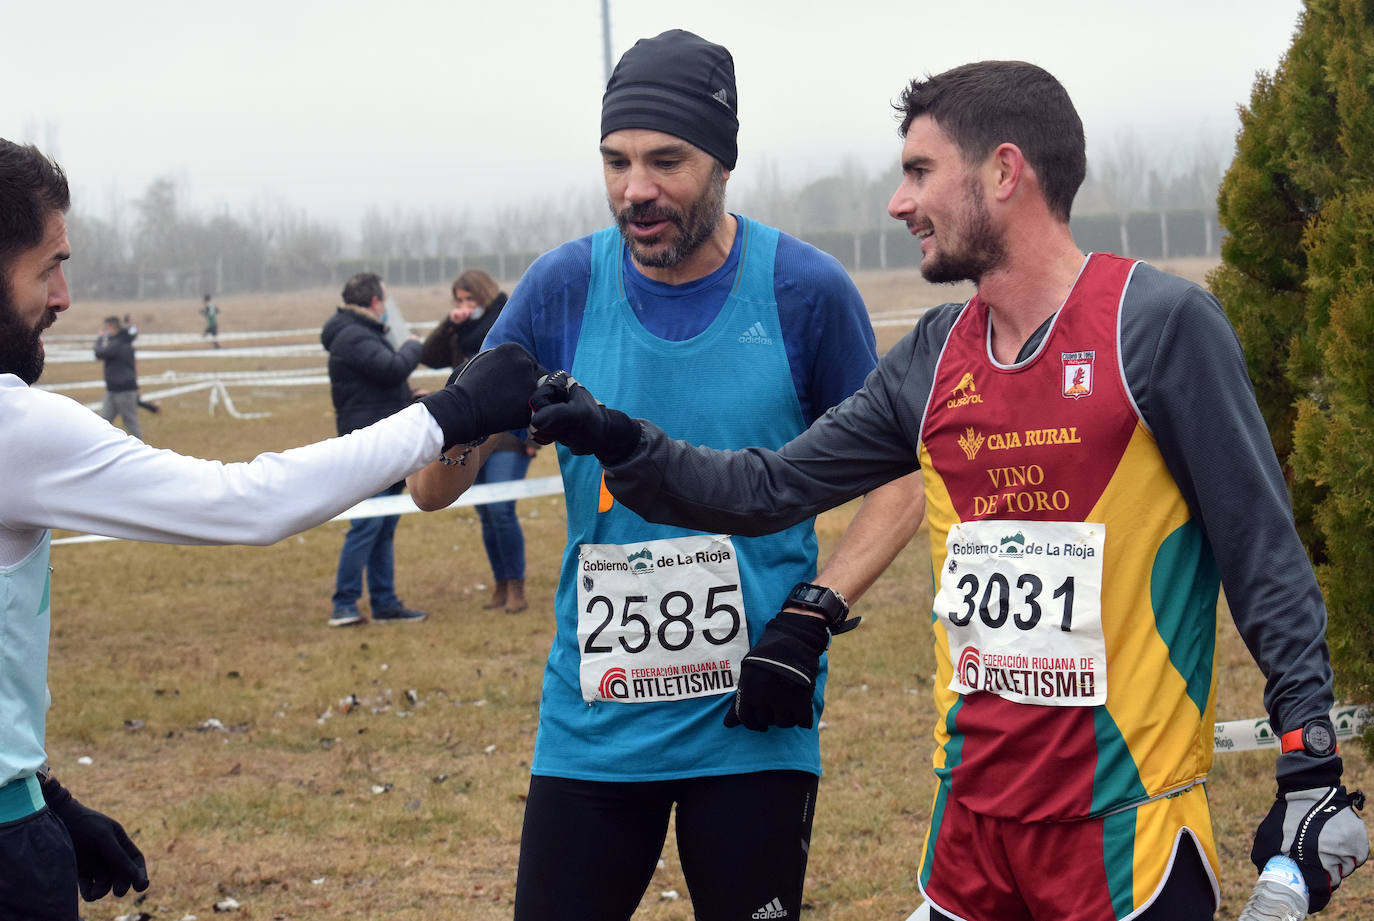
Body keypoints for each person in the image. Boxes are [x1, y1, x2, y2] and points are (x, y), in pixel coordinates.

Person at [527, 61, 1371, 921]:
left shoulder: (1156, 326)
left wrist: (1308, 764)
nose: (899, 202)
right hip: (967, 842)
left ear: (1005, 173)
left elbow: (1262, 555)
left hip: (1125, 838)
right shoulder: (935, 353)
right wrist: (620, 438)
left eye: (920, 172)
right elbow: (768, 486)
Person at [409, 29, 922, 921]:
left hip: (755, 718)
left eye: (665, 161)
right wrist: (468, 409)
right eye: (615, 162)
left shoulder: (807, 291)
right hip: (593, 723)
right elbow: (429, 489)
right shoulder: (562, 287)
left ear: (722, 160)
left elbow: (900, 483)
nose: (634, 190)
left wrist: (813, 613)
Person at [0, 137, 542, 921]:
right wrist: (450, 415)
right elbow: (243, 501)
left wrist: (39, 788)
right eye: (48, 265)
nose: (64, 296)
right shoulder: (17, 427)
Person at [421, 269, 538, 613]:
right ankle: (500, 584)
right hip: (469, 432)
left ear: (484, 295)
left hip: (509, 435)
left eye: (469, 299)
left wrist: (534, 436)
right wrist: (450, 323)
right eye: (458, 300)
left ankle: (516, 586)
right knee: (486, 512)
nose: (464, 305)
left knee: (502, 509)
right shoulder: (461, 330)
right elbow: (429, 355)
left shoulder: (507, 321)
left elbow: (530, 372)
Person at [322, 272, 430, 628]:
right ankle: (344, 603)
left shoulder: (359, 333)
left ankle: (384, 602)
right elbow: (391, 368)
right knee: (367, 525)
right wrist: (414, 345)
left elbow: (378, 385)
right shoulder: (353, 335)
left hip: (385, 439)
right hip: (371, 447)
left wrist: (405, 399)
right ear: (375, 303)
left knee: (383, 526)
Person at [93, 314, 144, 439]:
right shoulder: (125, 339)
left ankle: (141, 450)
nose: (105, 332)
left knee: (131, 423)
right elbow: (133, 332)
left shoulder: (117, 344)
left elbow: (99, 353)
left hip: (124, 390)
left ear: (111, 327)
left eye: (106, 328)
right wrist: (130, 324)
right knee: (104, 421)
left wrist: (100, 339)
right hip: (113, 389)